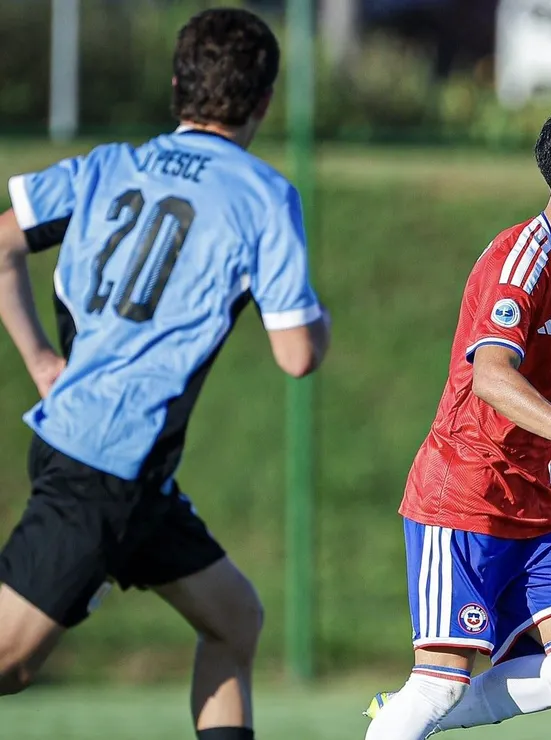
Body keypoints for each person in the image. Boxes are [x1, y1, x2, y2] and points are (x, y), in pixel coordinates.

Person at [0, 8, 330, 740]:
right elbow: (297, 355)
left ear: (178, 83)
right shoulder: (263, 196)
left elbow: (1, 244)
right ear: (265, 100)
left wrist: (41, 361)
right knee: (10, 663)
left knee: (233, 618)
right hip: (103, 462)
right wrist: (319, 322)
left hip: (123, 465)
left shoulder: (106, 165)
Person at [362, 98, 551, 740]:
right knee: (439, 683)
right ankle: (405, 718)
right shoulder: (520, 258)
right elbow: (491, 377)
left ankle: (403, 718)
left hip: (529, 507)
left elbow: (545, 392)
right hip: (461, 496)